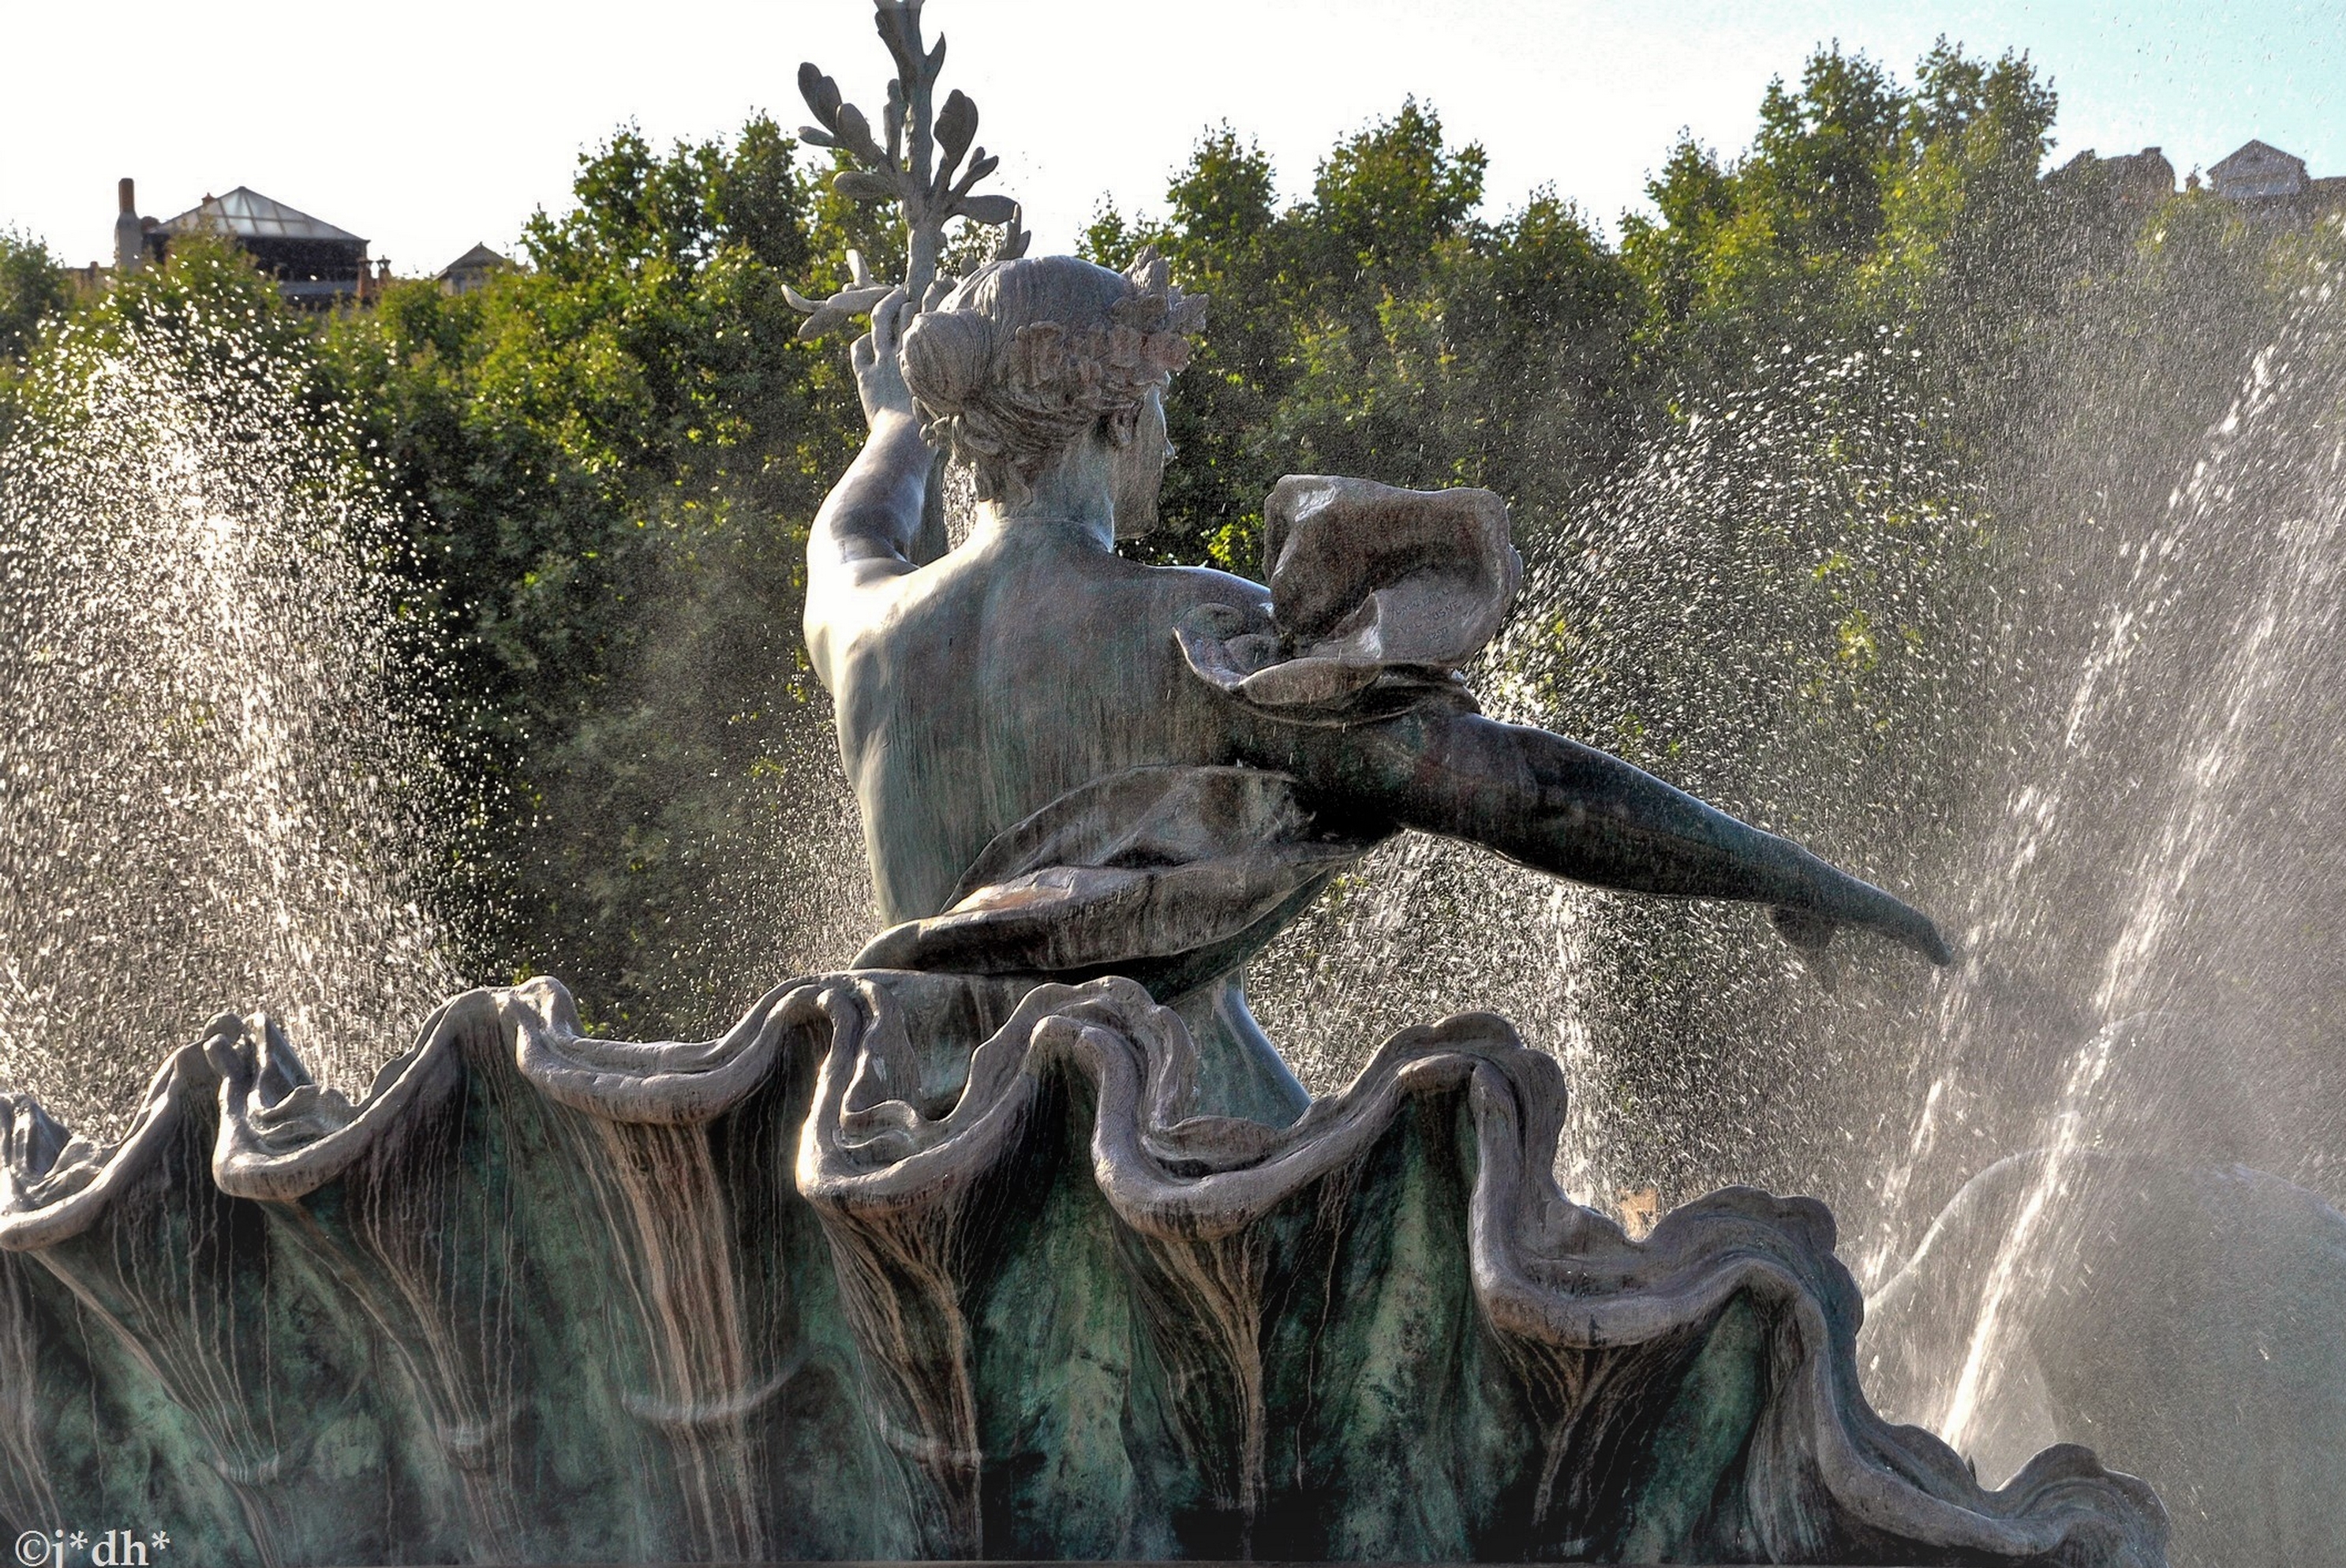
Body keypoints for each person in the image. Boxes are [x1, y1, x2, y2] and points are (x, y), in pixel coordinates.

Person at [806, 251, 1951, 1121]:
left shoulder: (865, 631)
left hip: (931, 1165)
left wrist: (893, 427)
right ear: (1118, 409)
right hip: (1188, 1160)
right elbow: (1525, 793)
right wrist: (1792, 879)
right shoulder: (1191, 627)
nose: (1167, 436)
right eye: (1159, 406)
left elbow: (856, 524)